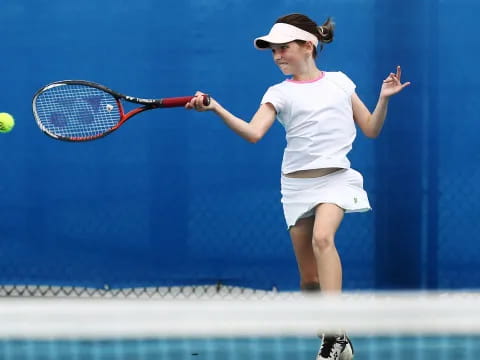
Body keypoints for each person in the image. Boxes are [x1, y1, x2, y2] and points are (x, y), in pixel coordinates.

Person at [186, 13, 410, 360]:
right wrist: (216, 108)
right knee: (309, 282)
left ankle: (334, 334)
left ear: (308, 46)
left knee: (324, 238)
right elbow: (253, 132)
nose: (277, 56)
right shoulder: (279, 93)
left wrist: (383, 99)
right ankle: (335, 337)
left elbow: (370, 128)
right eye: (273, 51)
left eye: (283, 48)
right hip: (295, 188)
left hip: (336, 179)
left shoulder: (340, 82)